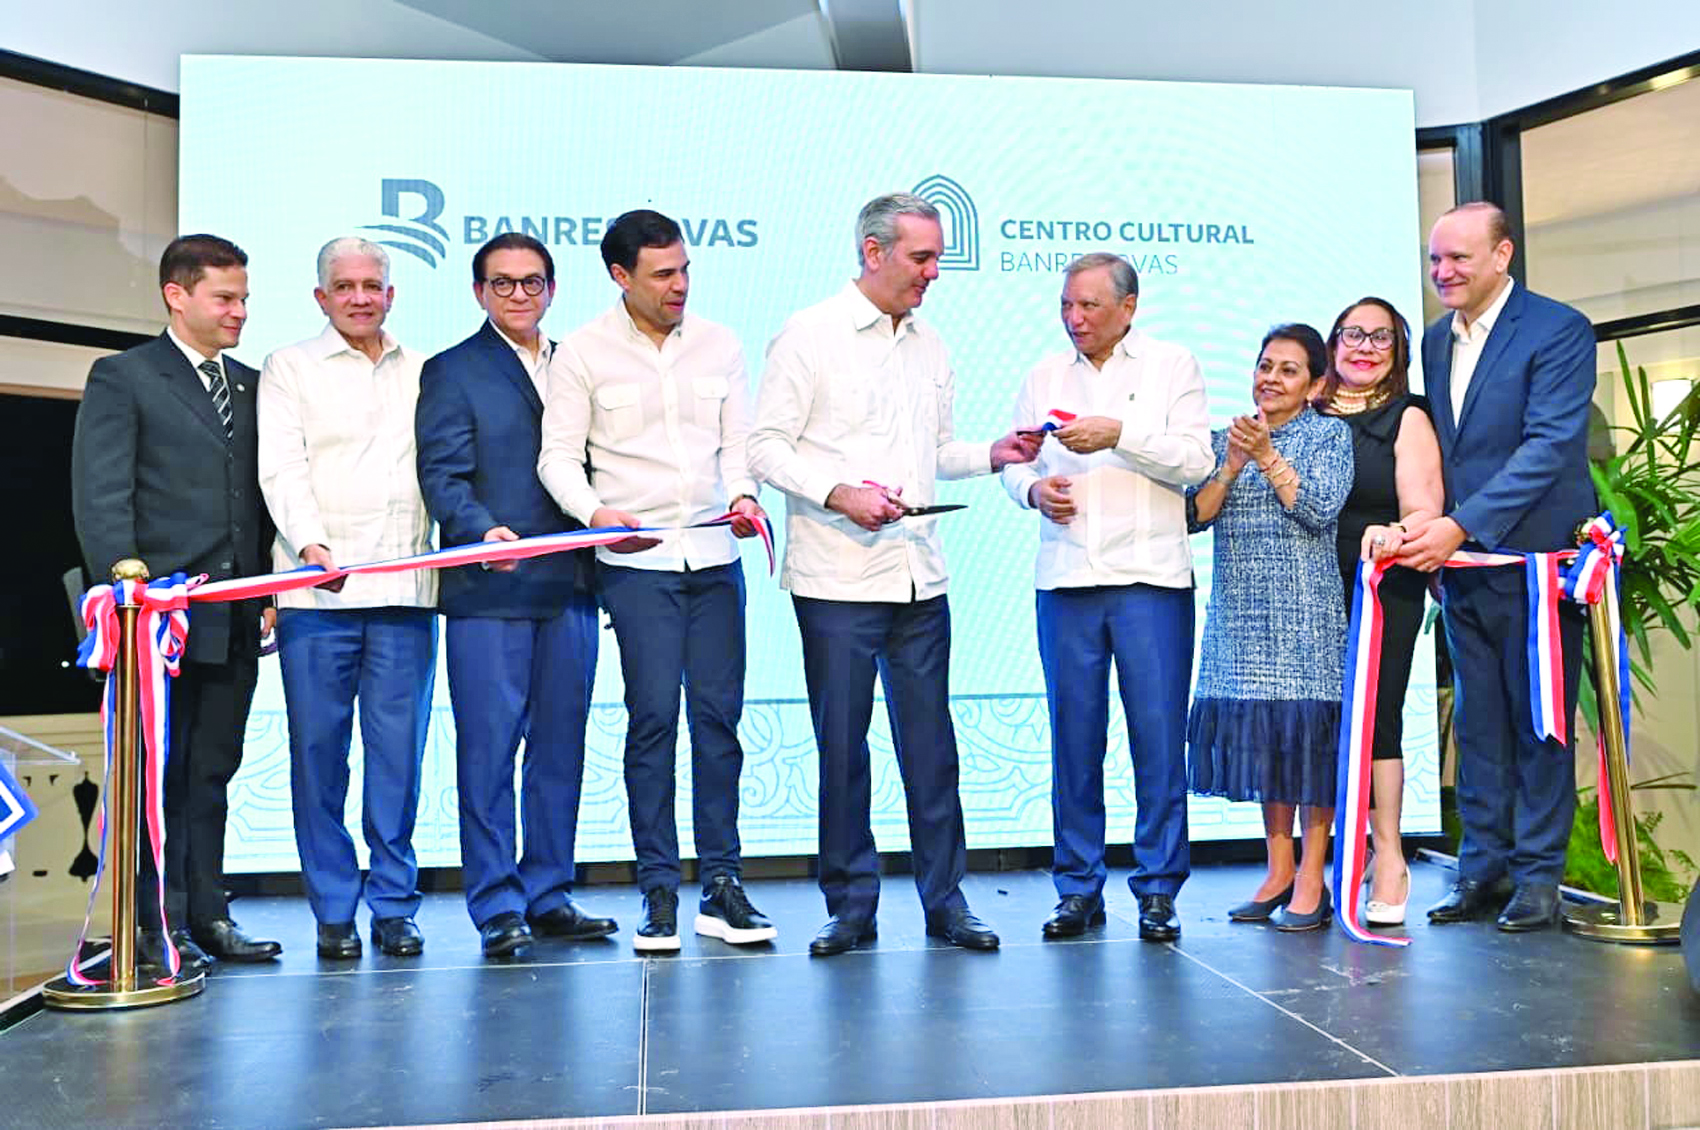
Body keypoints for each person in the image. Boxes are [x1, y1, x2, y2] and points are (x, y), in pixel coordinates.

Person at [747, 192, 1040, 957]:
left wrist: (993, 454)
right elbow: (766, 448)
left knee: (932, 746)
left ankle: (946, 901)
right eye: (922, 258)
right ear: (873, 253)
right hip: (838, 580)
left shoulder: (930, 342)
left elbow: (934, 452)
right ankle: (851, 904)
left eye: (938, 257)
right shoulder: (808, 336)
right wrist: (839, 493)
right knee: (844, 747)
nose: (934, 273)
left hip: (919, 577)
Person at [538, 209, 774, 953]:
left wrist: (742, 496)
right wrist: (596, 512)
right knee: (651, 724)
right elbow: (556, 461)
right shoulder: (580, 352)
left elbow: (738, 447)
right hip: (636, 566)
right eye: (662, 274)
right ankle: (657, 890)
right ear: (620, 276)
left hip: (714, 561)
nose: (679, 285)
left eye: (685, 269)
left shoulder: (720, 345)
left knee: (718, 723)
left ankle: (724, 886)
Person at [70, 234, 283, 967]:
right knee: (153, 777)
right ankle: (147, 923)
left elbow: (255, 500)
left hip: (233, 614)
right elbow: (101, 494)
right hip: (156, 619)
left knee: (212, 770)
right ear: (177, 294)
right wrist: (125, 580)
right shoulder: (124, 377)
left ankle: (208, 916)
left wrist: (264, 587)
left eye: (245, 299)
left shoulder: (255, 385)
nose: (240, 313)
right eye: (225, 298)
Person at [1000, 252, 1211, 943]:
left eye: (1089, 306)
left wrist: (1119, 435)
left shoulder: (1171, 365)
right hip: (1066, 582)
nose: (1075, 319)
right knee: (1074, 741)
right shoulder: (1043, 375)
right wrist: (1033, 490)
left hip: (1150, 579)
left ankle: (1156, 888)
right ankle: (1077, 887)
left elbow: (1195, 461)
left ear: (1129, 306)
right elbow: (1020, 459)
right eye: (1067, 305)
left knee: (1156, 742)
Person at [416, 233, 616, 959]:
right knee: (489, 753)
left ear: (553, 289)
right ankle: (496, 903)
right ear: (479, 293)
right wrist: (479, 530)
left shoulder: (580, 364)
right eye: (503, 285)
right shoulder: (451, 371)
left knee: (560, 750)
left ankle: (549, 893)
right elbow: (442, 477)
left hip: (572, 588)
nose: (519, 296)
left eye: (532, 283)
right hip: (489, 589)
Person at [1401, 202, 1595, 932]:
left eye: (1457, 258)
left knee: (1540, 725)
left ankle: (1540, 877)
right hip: (1464, 570)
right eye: (1434, 260)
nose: (1442, 272)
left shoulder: (1559, 329)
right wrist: (1436, 525)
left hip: (1536, 566)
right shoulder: (1433, 340)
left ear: (1502, 254)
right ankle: (1481, 870)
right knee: (1479, 726)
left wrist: (1461, 524)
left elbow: (1547, 449)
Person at [258, 237, 438, 960]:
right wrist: (309, 547)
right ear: (321, 297)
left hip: (404, 592)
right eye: (346, 285)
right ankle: (334, 909)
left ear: (391, 295)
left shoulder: (425, 371)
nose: (360, 296)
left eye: (373, 285)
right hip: (316, 597)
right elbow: (281, 469)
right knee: (319, 758)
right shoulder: (289, 367)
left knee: (397, 760)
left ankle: (394, 905)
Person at [1186, 324, 1353, 932]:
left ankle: (1313, 876)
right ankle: (1278, 869)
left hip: (1305, 618)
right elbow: (1193, 516)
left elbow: (1317, 509)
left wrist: (1267, 455)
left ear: (1314, 385)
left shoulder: (1328, 435)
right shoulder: (1222, 439)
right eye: (1264, 366)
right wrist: (1231, 465)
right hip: (1241, 620)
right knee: (1266, 746)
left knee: (1307, 749)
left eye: (1288, 370)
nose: (1270, 379)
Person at [1313, 297, 1442, 927]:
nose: (1363, 347)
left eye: (1380, 339)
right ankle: (1321, 861)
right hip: (1305, 590)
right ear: (1333, 343)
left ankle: (1388, 854)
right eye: (1352, 335)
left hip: (1378, 585)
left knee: (1377, 717)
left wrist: (1394, 532)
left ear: (1398, 352)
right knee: (1320, 722)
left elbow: (1424, 511)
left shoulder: (1407, 417)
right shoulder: (1306, 412)